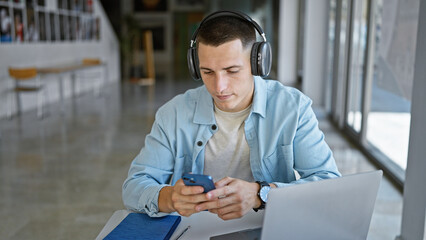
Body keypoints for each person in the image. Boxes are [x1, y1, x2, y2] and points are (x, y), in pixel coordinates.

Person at [122, 11, 341, 220]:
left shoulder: (293, 108)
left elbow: (328, 184)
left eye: (232, 71)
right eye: (208, 72)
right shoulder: (174, 113)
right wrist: (170, 198)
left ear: (258, 63)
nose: (219, 87)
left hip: (268, 225)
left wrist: (260, 194)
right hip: (195, 229)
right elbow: (134, 187)